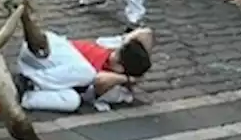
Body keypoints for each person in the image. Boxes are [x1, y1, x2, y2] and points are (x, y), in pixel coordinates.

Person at [17, 28, 154, 113]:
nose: (112, 55)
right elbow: (146, 33)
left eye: (117, 60)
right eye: (118, 52)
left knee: (73, 101)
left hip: (43, 72)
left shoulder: (114, 86)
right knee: (87, 73)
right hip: (44, 51)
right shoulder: (111, 47)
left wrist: (127, 79)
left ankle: (21, 96)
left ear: (122, 69)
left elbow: (100, 81)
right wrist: (128, 43)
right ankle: (27, 82)